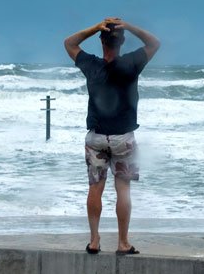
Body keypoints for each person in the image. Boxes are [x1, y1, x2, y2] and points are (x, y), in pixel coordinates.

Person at [64, 17, 160, 255]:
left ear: (101, 41)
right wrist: (128, 26)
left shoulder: (92, 65)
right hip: (123, 138)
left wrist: (95, 27)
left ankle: (95, 240)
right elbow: (154, 43)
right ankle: (122, 242)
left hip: (96, 138)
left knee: (95, 187)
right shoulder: (131, 63)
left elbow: (69, 43)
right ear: (122, 42)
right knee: (123, 190)